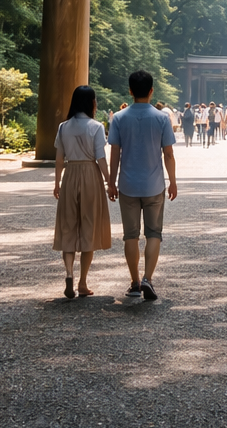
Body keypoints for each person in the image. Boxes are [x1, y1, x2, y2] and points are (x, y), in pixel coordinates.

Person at [108, 70, 178, 300]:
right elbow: (168, 153)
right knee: (153, 233)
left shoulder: (119, 118)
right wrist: (173, 182)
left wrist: (111, 181)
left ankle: (135, 282)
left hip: (127, 184)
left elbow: (115, 153)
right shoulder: (161, 118)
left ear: (130, 91)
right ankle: (148, 278)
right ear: (151, 91)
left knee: (130, 235)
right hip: (154, 184)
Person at [52, 85, 113, 298]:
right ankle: (83, 282)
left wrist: (57, 183)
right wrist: (109, 182)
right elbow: (101, 158)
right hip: (90, 175)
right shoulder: (96, 127)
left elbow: (60, 159)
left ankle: (68, 273)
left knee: (68, 225)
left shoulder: (63, 127)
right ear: (91, 103)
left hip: (70, 174)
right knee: (89, 225)